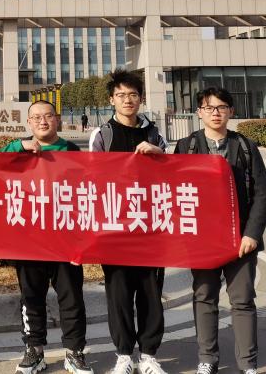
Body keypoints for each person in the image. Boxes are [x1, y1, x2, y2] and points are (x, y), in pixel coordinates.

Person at [175, 88, 266, 374]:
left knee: (242, 301)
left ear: (230, 111)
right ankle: (207, 359)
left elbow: (261, 194)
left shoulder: (245, 146)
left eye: (221, 107)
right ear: (199, 112)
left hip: (240, 240)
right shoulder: (187, 146)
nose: (215, 113)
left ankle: (247, 364)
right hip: (203, 241)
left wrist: (252, 234)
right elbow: (174, 190)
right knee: (205, 297)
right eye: (209, 107)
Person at [2, 100, 94, 374]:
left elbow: (87, 192)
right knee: (31, 297)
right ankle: (34, 350)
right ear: (29, 123)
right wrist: (20, 146)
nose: (43, 121)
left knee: (71, 298)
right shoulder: (18, 150)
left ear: (57, 119)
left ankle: (74, 352)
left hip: (66, 241)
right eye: (37, 117)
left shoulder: (71, 151)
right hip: (29, 241)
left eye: (48, 116)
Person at [87, 69, 169, 374]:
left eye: (133, 95)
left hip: (149, 227)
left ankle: (148, 355)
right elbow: (92, 178)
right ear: (111, 99)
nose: (127, 100)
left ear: (141, 99)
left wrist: (158, 153)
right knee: (119, 293)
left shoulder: (154, 134)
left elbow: (172, 174)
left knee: (150, 293)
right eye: (121, 95)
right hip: (115, 227)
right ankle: (123, 355)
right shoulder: (102, 135)